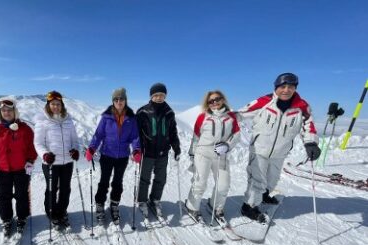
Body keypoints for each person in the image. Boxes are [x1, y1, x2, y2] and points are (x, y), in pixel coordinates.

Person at [238, 72, 320, 222]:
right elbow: (240, 113)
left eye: (291, 87)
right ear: (276, 87)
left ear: (295, 88)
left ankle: (264, 195)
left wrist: (311, 142)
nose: (286, 90)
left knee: (272, 178)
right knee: (257, 180)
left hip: (280, 151)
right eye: (283, 86)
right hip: (259, 149)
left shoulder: (301, 106)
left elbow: (309, 125)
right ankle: (248, 207)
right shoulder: (264, 101)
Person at [85, 88, 141, 224]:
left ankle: (114, 205)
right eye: (116, 99)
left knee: (117, 182)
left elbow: (135, 137)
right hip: (107, 155)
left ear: (125, 100)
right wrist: (92, 148)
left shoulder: (131, 118)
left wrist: (137, 150)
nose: (119, 102)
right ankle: (99, 205)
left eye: (121, 99)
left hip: (122, 156)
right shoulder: (106, 117)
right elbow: (99, 135)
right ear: (113, 101)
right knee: (104, 181)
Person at [0, 96, 37, 237]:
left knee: (21, 195)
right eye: (3, 111)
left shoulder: (25, 129)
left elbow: (31, 148)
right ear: (0, 113)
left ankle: (22, 217)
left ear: (15, 112)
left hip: (21, 169)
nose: (6, 113)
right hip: (2, 170)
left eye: (9, 110)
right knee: (4, 196)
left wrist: (30, 161)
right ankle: (6, 219)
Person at [185, 90, 240, 218]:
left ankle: (215, 206)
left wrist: (227, 145)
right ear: (207, 103)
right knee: (200, 183)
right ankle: (192, 207)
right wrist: (192, 154)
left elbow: (236, 135)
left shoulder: (231, 117)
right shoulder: (203, 117)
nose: (214, 102)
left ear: (223, 99)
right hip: (203, 154)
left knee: (223, 185)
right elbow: (196, 137)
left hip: (221, 155)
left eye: (217, 99)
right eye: (211, 101)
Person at [34, 91, 80, 231]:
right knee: (52, 189)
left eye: (58, 104)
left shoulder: (68, 120)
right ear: (48, 105)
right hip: (51, 162)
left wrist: (75, 150)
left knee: (65, 189)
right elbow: (38, 143)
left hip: (67, 162)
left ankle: (62, 212)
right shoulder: (42, 121)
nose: (55, 106)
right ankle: (52, 214)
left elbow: (74, 140)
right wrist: (45, 155)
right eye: (53, 104)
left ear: (62, 105)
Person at [136, 83, 181, 217]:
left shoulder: (169, 112)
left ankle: (155, 199)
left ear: (165, 96)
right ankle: (142, 201)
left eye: (161, 95)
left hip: (163, 152)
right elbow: (136, 133)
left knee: (161, 178)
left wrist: (176, 147)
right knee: (144, 178)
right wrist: (137, 149)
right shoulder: (143, 112)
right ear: (151, 96)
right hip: (148, 152)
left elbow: (173, 132)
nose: (159, 97)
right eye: (156, 95)